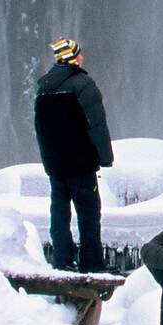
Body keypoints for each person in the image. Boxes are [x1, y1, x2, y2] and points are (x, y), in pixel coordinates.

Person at [33, 37, 114, 273]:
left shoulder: (43, 89)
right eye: (80, 54)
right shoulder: (83, 84)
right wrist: (105, 157)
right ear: (73, 57)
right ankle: (92, 263)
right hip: (80, 164)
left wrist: (48, 162)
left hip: (56, 166)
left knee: (59, 212)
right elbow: (96, 124)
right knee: (88, 213)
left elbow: (40, 130)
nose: (83, 57)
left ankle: (63, 260)